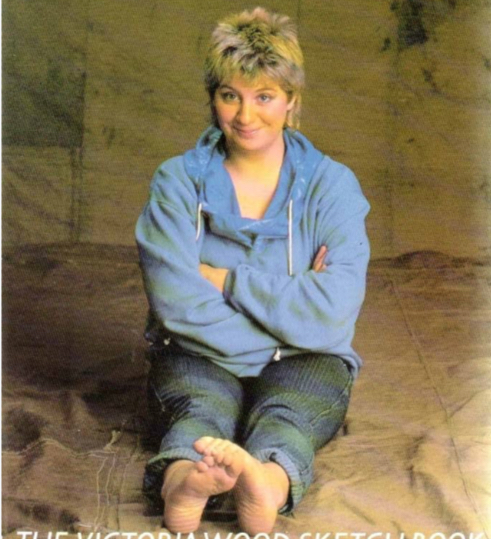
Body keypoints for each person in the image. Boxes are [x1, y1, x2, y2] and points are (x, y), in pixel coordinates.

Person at [135, 6, 370, 535]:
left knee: (290, 415)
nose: (246, 115)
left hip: (308, 360)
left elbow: (332, 312)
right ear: (212, 98)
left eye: (264, 96)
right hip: (199, 353)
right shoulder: (176, 182)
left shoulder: (332, 185)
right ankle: (184, 484)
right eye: (230, 95)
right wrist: (292, 307)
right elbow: (176, 303)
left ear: (291, 101)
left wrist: (223, 279)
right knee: (200, 411)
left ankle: (266, 483)